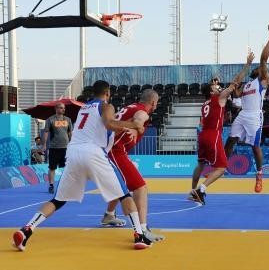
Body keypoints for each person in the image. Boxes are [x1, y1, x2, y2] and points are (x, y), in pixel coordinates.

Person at [12, 80, 152, 251]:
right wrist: (134, 125)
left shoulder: (84, 109)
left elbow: (106, 127)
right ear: (107, 94)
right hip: (93, 153)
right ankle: (140, 235)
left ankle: (27, 229)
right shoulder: (106, 106)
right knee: (124, 195)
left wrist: (123, 125)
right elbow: (109, 124)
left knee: (57, 200)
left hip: (73, 153)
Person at [189, 52, 254, 204]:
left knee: (200, 164)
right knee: (222, 168)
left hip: (203, 135)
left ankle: (192, 191)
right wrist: (247, 65)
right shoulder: (219, 97)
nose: (218, 87)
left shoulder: (205, 103)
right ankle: (201, 189)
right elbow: (236, 82)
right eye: (215, 86)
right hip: (213, 135)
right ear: (212, 92)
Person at [100, 89, 165, 242]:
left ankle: (109, 215)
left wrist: (135, 128)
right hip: (115, 151)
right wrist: (138, 127)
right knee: (140, 187)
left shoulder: (130, 107)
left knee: (121, 184)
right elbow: (138, 120)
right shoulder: (142, 112)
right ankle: (142, 229)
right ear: (154, 103)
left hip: (112, 149)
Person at [225, 29, 269, 193]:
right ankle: (220, 167)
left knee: (255, 146)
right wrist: (246, 66)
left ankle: (259, 174)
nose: (257, 68)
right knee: (230, 140)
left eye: (257, 67)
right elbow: (235, 86)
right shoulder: (248, 85)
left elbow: (263, 59)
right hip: (243, 114)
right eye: (255, 68)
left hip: (254, 116)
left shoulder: (262, 81)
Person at [42, 102, 72, 194]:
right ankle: (51, 185)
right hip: (54, 147)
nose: (63, 109)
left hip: (66, 148)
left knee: (67, 168)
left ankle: (67, 185)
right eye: (61, 108)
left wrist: (72, 144)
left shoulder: (68, 119)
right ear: (56, 109)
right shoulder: (50, 120)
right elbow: (46, 132)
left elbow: (70, 132)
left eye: (64, 108)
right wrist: (44, 144)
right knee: (52, 168)